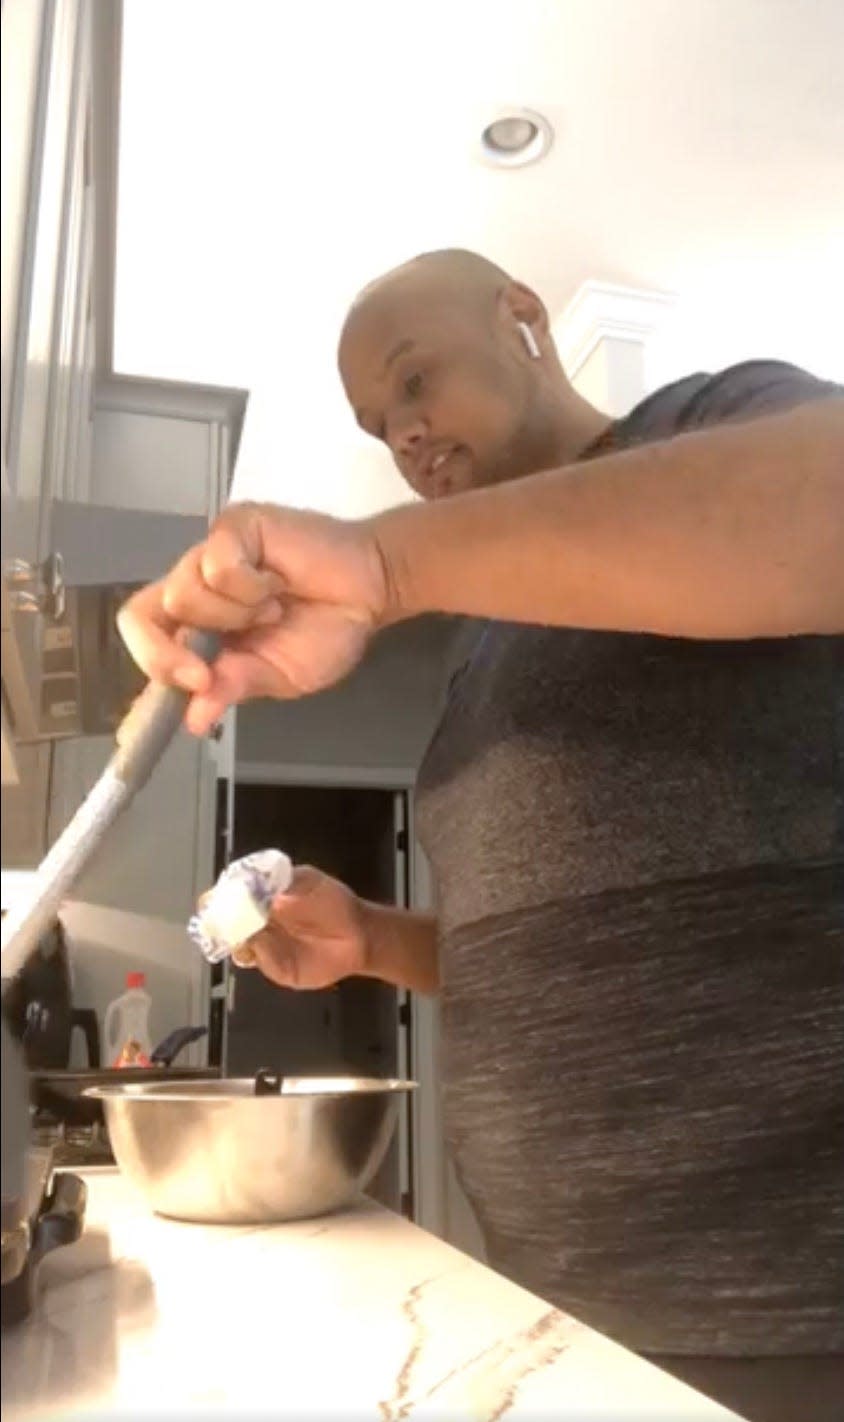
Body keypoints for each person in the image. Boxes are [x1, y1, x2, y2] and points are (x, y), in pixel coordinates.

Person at [119, 250, 844, 1422]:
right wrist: (367, 939)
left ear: (522, 318)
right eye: (375, 421)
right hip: (558, 1303)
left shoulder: (719, 417)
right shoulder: (488, 638)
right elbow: (529, 947)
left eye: (414, 381)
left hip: (788, 1308)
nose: (402, 434)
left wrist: (382, 561)